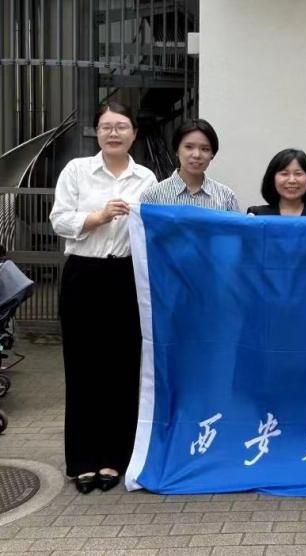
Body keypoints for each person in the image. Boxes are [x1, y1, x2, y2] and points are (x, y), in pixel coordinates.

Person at [49, 101, 157, 494]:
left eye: (121, 126)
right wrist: (98, 216)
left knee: (123, 368)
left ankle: (116, 457)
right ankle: (82, 459)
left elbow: (153, 227)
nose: (114, 133)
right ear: (97, 132)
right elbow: (59, 220)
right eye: (107, 126)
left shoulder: (146, 178)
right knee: (82, 368)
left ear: (134, 133)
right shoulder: (77, 170)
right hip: (84, 274)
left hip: (126, 276)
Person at [140, 118, 239, 211]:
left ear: (212, 154)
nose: (197, 155)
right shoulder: (152, 197)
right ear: (177, 150)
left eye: (205, 149)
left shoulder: (226, 198)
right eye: (189, 147)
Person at [247, 149, 306, 216]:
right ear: (272, 178)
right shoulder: (257, 215)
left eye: (298, 174)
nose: (292, 180)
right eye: (284, 174)